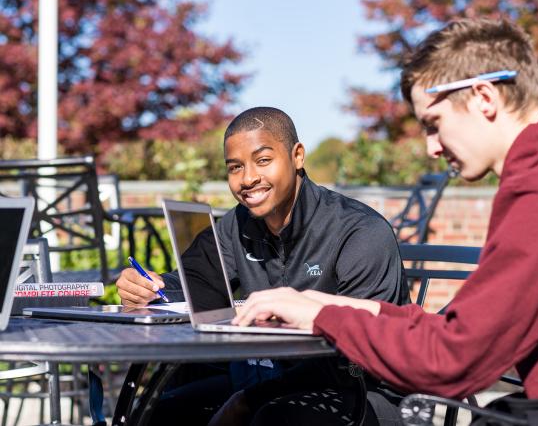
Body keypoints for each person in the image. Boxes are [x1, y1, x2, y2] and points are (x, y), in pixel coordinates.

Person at [232, 18, 538, 423]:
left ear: (484, 97)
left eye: (434, 124)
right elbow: (460, 329)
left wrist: (321, 318)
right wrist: (327, 303)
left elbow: (452, 361)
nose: (431, 147)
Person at [116, 106, 410, 425]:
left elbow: (359, 354)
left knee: (272, 418)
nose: (248, 178)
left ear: (297, 156)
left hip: (362, 391)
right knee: (166, 410)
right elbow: (192, 285)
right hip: (268, 379)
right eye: (235, 167)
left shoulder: (359, 232)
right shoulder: (236, 226)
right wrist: (149, 289)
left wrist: (249, 400)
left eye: (263, 160)